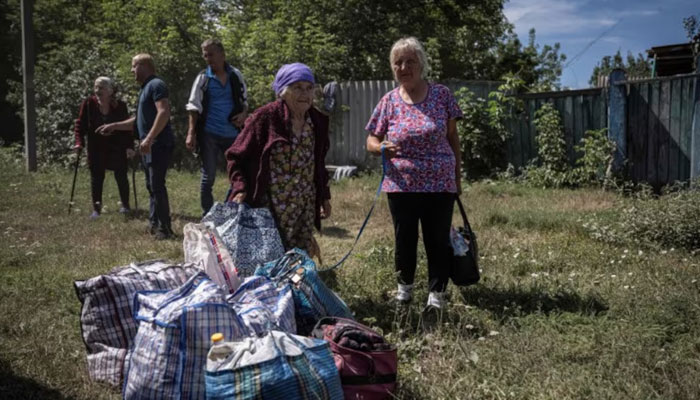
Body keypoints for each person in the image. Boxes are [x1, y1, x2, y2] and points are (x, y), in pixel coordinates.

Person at [365, 37, 463, 311]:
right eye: (398, 62)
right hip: (401, 184)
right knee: (404, 238)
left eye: (410, 61)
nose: (404, 66)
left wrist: (457, 178)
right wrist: (380, 147)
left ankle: (437, 294)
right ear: (392, 68)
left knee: (437, 238)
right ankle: (404, 290)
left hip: (439, 182)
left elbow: (454, 138)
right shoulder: (388, 101)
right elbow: (371, 140)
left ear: (422, 64)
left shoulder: (442, 95)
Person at [225, 63, 331, 258]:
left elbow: (319, 163)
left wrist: (324, 195)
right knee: (269, 256)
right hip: (271, 203)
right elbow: (235, 155)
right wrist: (240, 187)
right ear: (283, 91)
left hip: (304, 203)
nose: (305, 94)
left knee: (300, 256)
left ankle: (298, 285)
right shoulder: (265, 118)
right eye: (297, 87)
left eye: (309, 88)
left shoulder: (317, 121)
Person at [97, 54, 175, 240]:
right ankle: (154, 223)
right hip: (150, 145)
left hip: (158, 144)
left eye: (133, 66)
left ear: (144, 65)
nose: (131, 70)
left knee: (157, 186)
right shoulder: (145, 88)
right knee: (151, 186)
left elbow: (163, 112)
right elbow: (138, 120)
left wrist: (148, 139)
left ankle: (165, 230)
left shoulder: (156, 85)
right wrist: (115, 126)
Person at [185, 39, 248, 216]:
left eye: (211, 54)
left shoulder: (235, 75)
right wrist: (191, 133)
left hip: (232, 133)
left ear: (222, 54)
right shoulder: (203, 78)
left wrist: (243, 115)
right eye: (205, 55)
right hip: (209, 134)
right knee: (208, 176)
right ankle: (208, 213)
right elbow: (193, 107)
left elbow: (245, 102)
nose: (208, 59)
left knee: (237, 174)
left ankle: (231, 210)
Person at [74, 76, 134, 219]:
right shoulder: (89, 104)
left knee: (121, 175)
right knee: (96, 177)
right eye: (96, 87)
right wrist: (78, 142)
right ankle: (96, 209)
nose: (97, 90)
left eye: (101, 87)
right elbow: (80, 125)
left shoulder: (120, 106)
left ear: (110, 90)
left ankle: (125, 206)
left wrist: (129, 147)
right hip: (96, 146)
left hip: (116, 145)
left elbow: (128, 128)